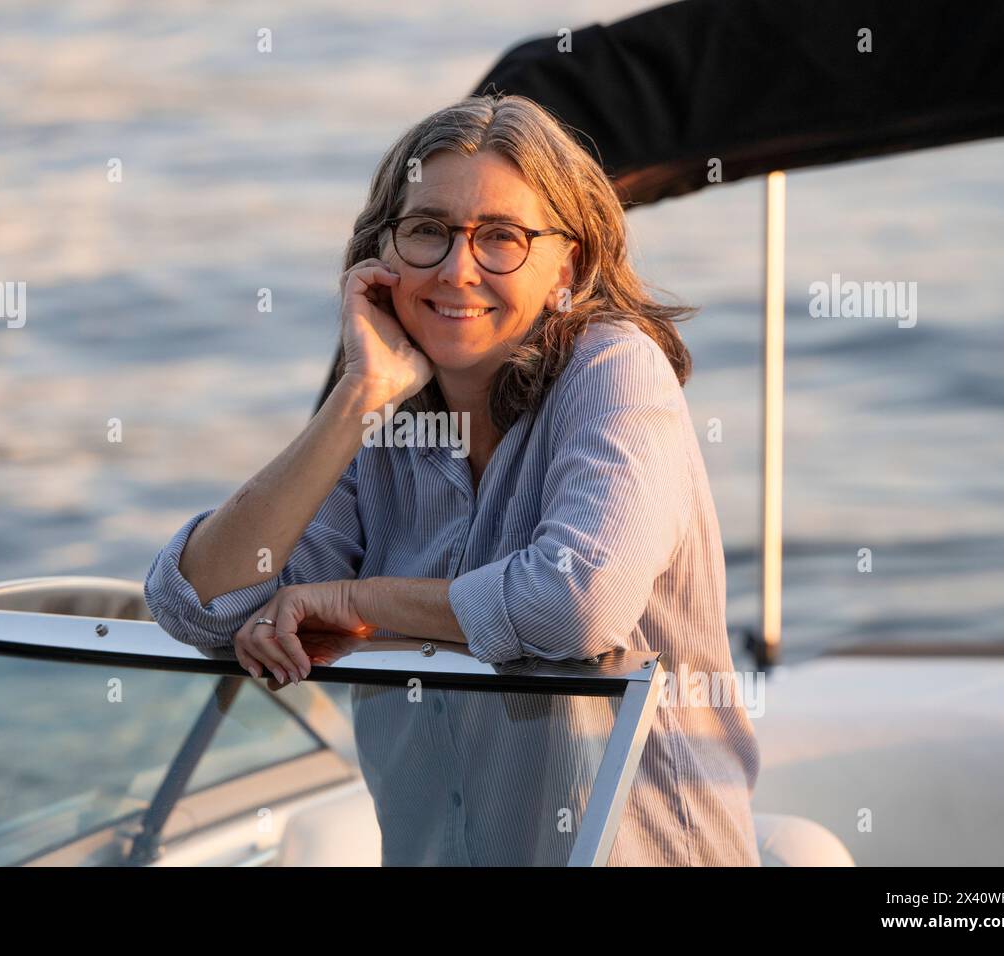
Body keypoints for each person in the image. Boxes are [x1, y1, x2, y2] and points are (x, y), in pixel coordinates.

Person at [145, 92, 761, 866]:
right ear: (384, 253)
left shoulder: (614, 369)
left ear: (565, 264)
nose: (457, 269)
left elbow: (577, 601)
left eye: (501, 237)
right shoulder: (383, 424)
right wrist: (356, 399)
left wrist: (352, 600)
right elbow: (199, 605)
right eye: (428, 231)